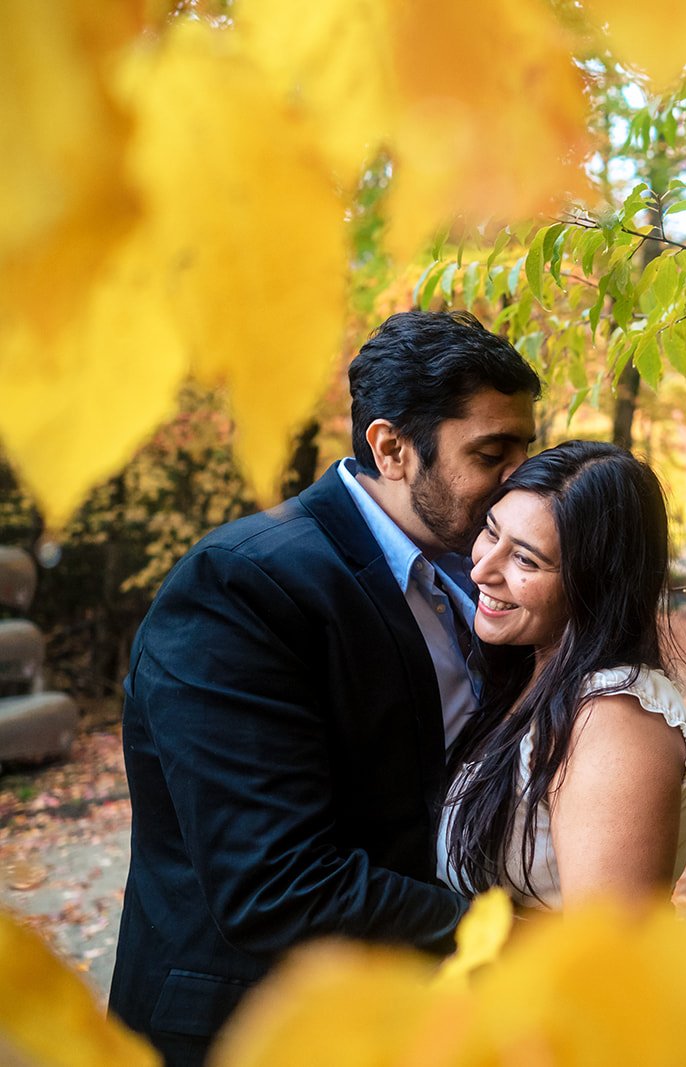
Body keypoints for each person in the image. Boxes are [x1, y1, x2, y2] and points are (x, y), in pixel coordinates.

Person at [110, 310, 539, 1066]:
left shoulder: (477, 575)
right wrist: (508, 937)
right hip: (255, 1030)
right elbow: (276, 883)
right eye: (491, 454)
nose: (519, 480)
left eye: (525, 452)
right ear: (392, 448)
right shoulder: (242, 585)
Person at [438, 441, 686, 909]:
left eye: (525, 559)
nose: (481, 570)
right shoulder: (531, 676)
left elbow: (608, 946)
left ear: (594, 585)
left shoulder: (613, 720)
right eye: (491, 532)